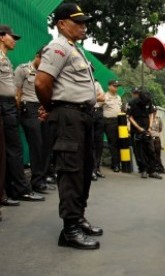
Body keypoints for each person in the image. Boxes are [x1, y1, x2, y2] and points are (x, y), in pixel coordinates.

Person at [35, 3, 102, 250]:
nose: (83, 26)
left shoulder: (75, 49)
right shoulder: (58, 47)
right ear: (62, 24)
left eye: (84, 22)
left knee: (84, 170)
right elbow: (42, 83)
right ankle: (69, 230)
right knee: (71, 172)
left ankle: (79, 218)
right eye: (78, 22)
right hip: (68, 117)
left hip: (82, 117)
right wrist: (52, 108)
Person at [0, 25, 45, 203]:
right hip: (4, 105)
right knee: (13, 149)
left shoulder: (5, 58)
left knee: (11, 150)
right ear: (2, 37)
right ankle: (19, 189)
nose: (15, 41)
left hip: (9, 106)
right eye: (12, 37)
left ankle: (11, 189)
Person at [15, 47, 56, 194]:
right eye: (44, 60)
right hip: (28, 109)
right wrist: (17, 111)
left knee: (46, 145)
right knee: (37, 145)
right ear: (37, 56)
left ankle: (41, 179)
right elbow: (17, 92)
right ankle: (37, 181)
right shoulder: (23, 69)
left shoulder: (47, 74)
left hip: (44, 108)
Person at [126, 88, 162, 180]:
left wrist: (149, 127)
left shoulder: (148, 102)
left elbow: (151, 114)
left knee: (151, 150)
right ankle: (143, 170)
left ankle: (152, 171)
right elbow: (130, 117)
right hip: (137, 129)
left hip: (147, 129)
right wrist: (139, 128)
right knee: (140, 152)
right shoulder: (132, 103)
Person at [102, 79, 122, 173]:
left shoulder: (118, 97)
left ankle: (117, 163)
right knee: (113, 143)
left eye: (117, 86)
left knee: (119, 143)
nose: (116, 88)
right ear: (109, 86)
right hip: (108, 121)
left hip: (119, 121)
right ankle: (115, 165)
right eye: (114, 86)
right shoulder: (104, 96)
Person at [91, 80, 105, 181]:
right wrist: (96, 97)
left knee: (99, 143)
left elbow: (103, 98)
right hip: (88, 112)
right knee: (90, 142)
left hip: (98, 113)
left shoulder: (96, 83)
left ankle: (97, 168)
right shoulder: (83, 82)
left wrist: (91, 98)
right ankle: (91, 169)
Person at [149, 106, 165, 174]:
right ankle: (153, 168)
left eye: (155, 111)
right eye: (153, 111)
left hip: (157, 138)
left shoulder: (158, 119)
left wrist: (156, 134)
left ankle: (160, 168)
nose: (154, 112)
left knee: (158, 154)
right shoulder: (148, 119)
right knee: (152, 154)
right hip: (150, 138)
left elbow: (160, 129)